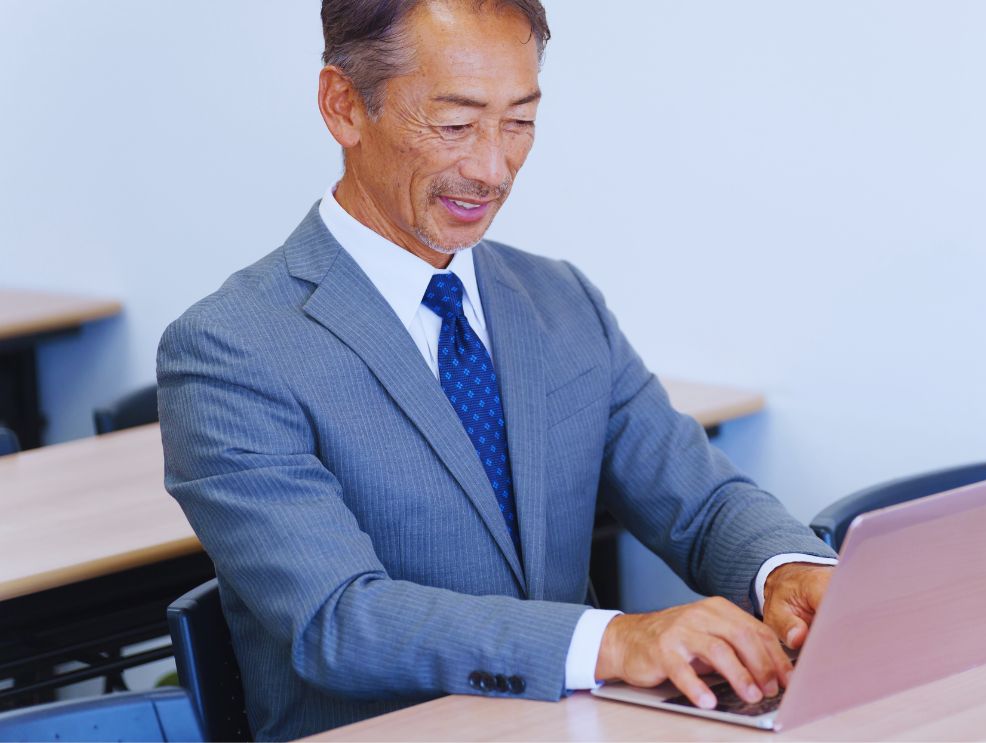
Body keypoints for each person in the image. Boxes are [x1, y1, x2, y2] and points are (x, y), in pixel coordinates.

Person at [157, 0, 837, 739]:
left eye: (519, 122)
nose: (491, 167)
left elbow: (698, 501)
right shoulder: (229, 348)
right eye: (454, 125)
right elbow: (338, 618)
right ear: (343, 106)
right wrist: (612, 639)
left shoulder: (559, 301)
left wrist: (788, 569)